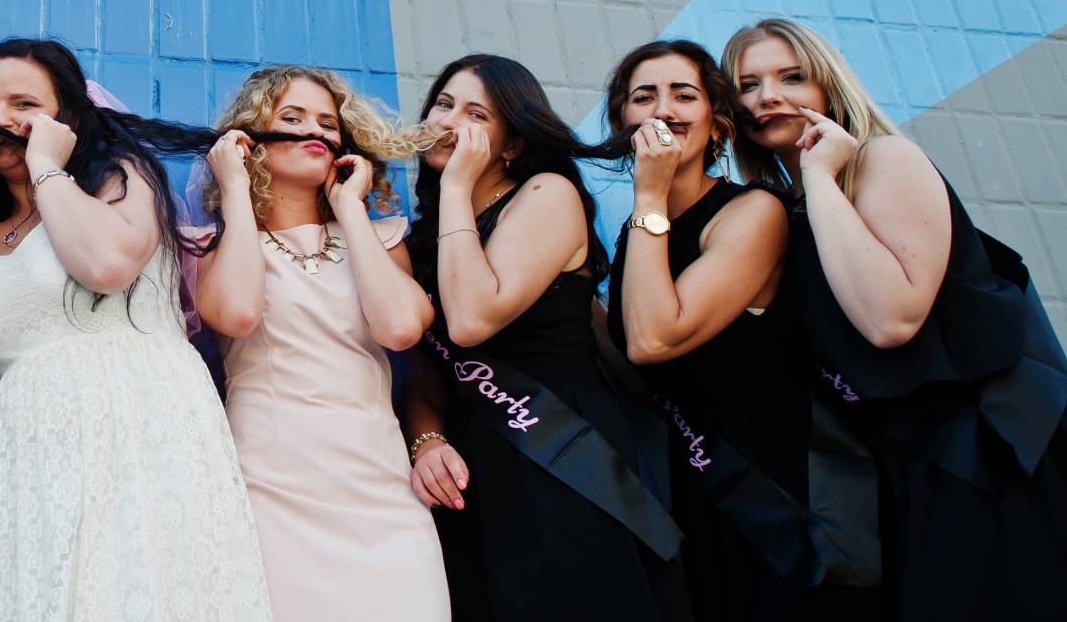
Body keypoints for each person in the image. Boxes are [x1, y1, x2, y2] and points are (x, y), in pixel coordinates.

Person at [725, 17, 1067, 620]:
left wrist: (820, 174)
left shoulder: (885, 159)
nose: (766, 96)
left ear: (831, 88)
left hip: (983, 452)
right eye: (747, 84)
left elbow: (891, 318)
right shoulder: (788, 210)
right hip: (899, 463)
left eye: (791, 77)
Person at [0, 38, 271, 620]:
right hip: (25, 442)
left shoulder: (121, 179)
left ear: (67, 118)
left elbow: (105, 267)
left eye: (23, 104)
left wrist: (46, 167)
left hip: (134, 418)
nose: (1, 120)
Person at [402, 54, 692, 621]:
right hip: (475, 462)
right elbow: (422, 367)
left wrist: (457, 184)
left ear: (511, 145)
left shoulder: (546, 193)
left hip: (560, 451)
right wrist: (426, 439)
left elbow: (470, 320)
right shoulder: (424, 238)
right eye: (442, 104)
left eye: (475, 113)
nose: (447, 120)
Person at [599, 39, 879, 619]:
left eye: (684, 95)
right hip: (691, 486)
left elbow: (654, 339)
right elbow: (628, 358)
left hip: (776, 487)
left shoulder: (752, 212)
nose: (662, 110)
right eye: (643, 97)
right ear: (623, 124)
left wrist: (648, 193)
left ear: (719, 123)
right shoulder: (640, 230)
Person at [196, 65, 448, 620]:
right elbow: (235, 313)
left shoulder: (382, 237)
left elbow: (402, 328)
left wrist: (351, 210)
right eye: (291, 118)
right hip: (270, 490)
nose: (314, 130)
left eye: (327, 122)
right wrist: (236, 188)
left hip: (382, 490)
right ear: (251, 136)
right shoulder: (214, 247)